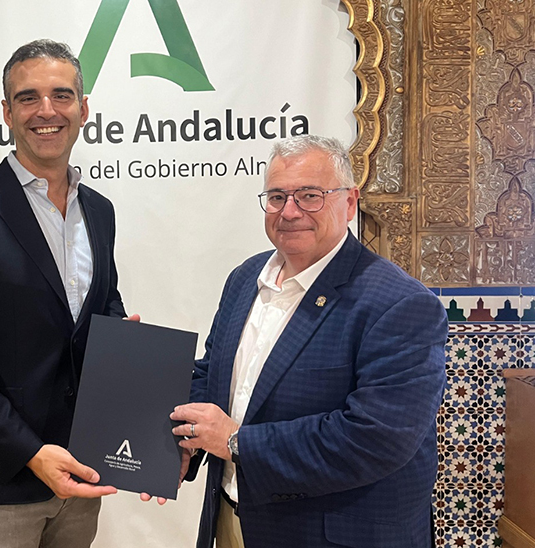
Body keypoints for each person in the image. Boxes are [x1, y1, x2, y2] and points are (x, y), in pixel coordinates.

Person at [170, 135, 447, 547]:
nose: (290, 211)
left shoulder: (401, 304)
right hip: (233, 520)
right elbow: (214, 376)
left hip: (333, 535)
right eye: (277, 196)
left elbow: (374, 439)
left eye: (310, 195)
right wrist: (177, 440)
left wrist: (234, 441)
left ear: (350, 202)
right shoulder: (245, 279)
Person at [0, 39, 132, 548]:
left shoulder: (99, 210)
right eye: (28, 97)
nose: (46, 111)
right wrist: (31, 451)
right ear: (7, 113)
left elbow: (102, 306)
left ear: (83, 110)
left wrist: (122, 340)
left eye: (61, 95)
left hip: (81, 470)